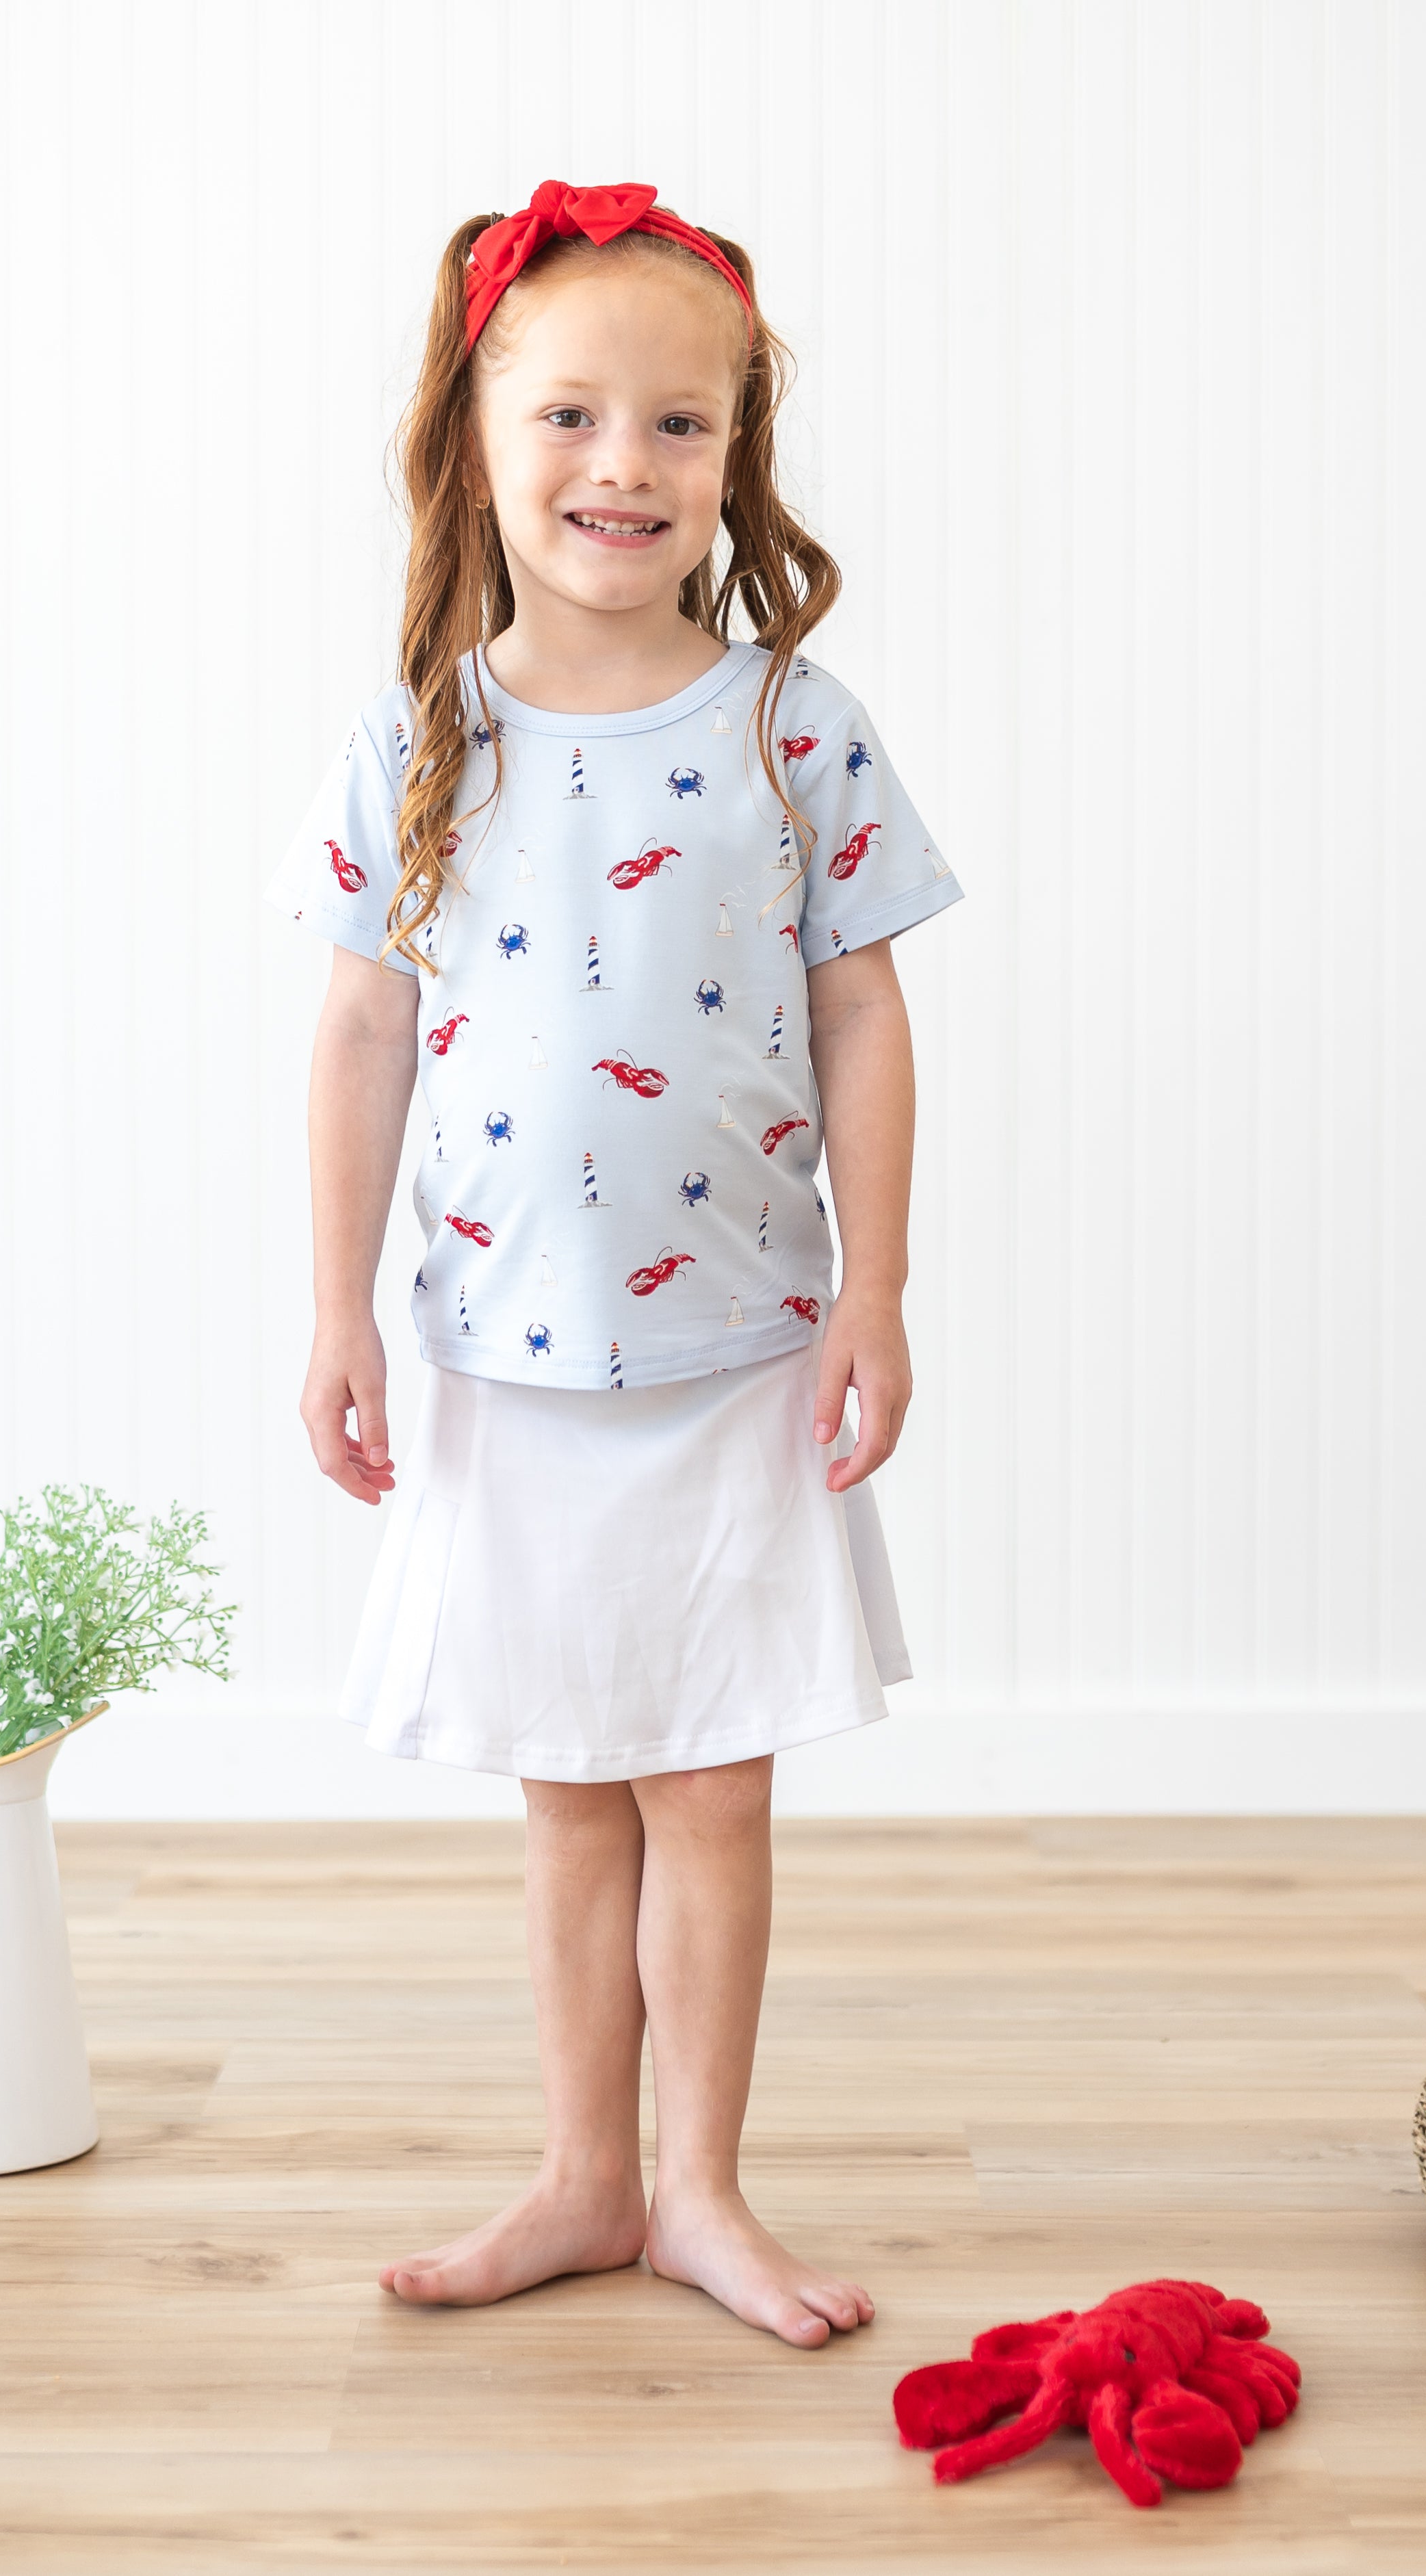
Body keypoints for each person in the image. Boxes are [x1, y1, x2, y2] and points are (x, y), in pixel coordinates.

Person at [265, 180, 963, 2349]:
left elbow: (861, 1003)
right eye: (572, 415)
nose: (624, 468)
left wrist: (876, 1287)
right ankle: (581, 2179)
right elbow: (366, 1023)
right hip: (505, 1357)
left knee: (713, 1791)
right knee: (572, 1803)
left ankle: (703, 2191)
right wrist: (335, 1311)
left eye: (682, 424)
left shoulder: (792, 724)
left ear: (738, 449)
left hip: (744, 1351)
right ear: (476, 438)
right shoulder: (420, 739)